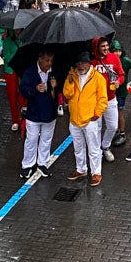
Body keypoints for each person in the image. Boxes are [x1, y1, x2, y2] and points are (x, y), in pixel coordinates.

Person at [63, 54, 107, 186]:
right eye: (79, 63)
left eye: (83, 63)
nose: (81, 66)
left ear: (89, 63)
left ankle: (96, 173)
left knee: (93, 148)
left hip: (90, 120)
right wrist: (70, 82)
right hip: (74, 120)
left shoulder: (98, 78)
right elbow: (67, 94)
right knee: (78, 146)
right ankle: (81, 169)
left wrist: (96, 114)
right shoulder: (72, 76)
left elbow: (103, 99)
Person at [19, 49, 57, 178]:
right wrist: (35, 89)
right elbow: (23, 90)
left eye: (51, 60)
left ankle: (42, 163)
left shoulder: (54, 73)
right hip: (34, 113)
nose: (49, 63)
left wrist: (54, 87)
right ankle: (27, 165)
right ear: (40, 59)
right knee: (31, 139)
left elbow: (60, 91)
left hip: (50, 113)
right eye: (47, 60)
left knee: (46, 139)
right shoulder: (30, 72)